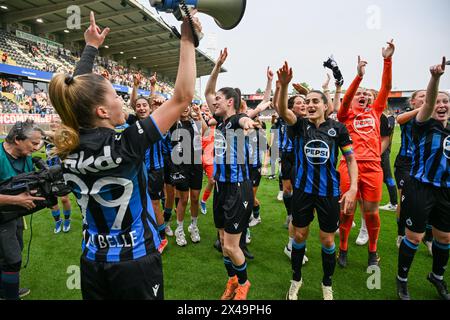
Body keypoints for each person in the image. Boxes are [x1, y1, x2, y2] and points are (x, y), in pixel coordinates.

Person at [48, 11, 200, 299]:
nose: (122, 100)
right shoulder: (127, 143)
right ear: (102, 112)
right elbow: (182, 97)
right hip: (135, 262)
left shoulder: (67, 147)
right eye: (116, 96)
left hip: (92, 262)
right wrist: (187, 36)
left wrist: (91, 48)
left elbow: (78, 98)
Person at [277, 62, 358, 300]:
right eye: (308, 101)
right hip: (303, 191)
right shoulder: (299, 125)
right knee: (299, 236)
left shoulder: (338, 129)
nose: (310, 105)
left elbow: (351, 160)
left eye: (315, 101)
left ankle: (326, 283)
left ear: (326, 106)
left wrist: (353, 188)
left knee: (327, 239)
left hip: (328, 193)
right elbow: (283, 110)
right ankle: (296, 279)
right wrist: (283, 86)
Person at [205, 50, 260, 301]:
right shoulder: (220, 121)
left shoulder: (237, 118)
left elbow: (244, 123)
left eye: (218, 99)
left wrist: (249, 125)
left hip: (238, 188)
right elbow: (207, 92)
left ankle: (244, 285)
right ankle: (232, 280)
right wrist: (216, 66)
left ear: (230, 102)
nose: (213, 101)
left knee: (230, 245)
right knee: (222, 240)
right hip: (221, 188)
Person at [337, 39, 395, 268]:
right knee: (346, 210)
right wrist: (358, 77)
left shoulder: (376, 111)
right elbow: (346, 99)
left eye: (367, 95)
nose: (364, 96)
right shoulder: (346, 115)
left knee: (371, 212)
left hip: (373, 167)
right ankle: (342, 248)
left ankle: (373, 251)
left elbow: (387, 88)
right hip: (349, 167)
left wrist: (387, 60)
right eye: (360, 94)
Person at [396, 57, 449, 300]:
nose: (441, 104)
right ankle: (402, 280)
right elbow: (427, 105)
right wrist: (436, 78)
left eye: (446, 101)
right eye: (437, 100)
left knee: (445, 237)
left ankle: (437, 276)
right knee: (415, 237)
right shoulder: (423, 124)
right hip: (421, 187)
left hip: (445, 190)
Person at [0, 120, 45, 300]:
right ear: (18, 139)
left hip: (14, 215)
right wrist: (16, 199)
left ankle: (4, 291)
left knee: (13, 252)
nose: (37, 147)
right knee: (12, 260)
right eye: (34, 143)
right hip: (3, 217)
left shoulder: (26, 158)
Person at [394, 90, 434, 252]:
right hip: (405, 163)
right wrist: (424, 108)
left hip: (425, 164)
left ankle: (429, 238)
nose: (426, 99)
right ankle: (400, 233)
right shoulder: (408, 116)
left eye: (428, 96)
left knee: (431, 199)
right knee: (404, 199)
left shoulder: (433, 119)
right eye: (422, 97)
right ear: (413, 102)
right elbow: (399, 119)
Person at [170, 104, 204, 246]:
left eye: (187, 106)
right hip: (180, 164)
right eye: (182, 105)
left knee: (195, 198)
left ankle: (194, 226)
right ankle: (179, 229)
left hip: (196, 163)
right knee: (184, 199)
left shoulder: (194, 122)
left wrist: (200, 115)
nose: (185, 108)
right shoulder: (172, 122)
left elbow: (206, 131)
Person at [44, 119, 72, 234]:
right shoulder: (45, 138)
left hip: (62, 171)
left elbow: (55, 136)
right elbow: (36, 146)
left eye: (56, 121)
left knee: (64, 198)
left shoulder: (64, 136)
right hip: (48, 171)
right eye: (51, 121)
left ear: (61, 124)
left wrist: (40, 132)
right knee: (52, 200)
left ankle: (67, 220)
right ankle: (57, 221)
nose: (53, 123)